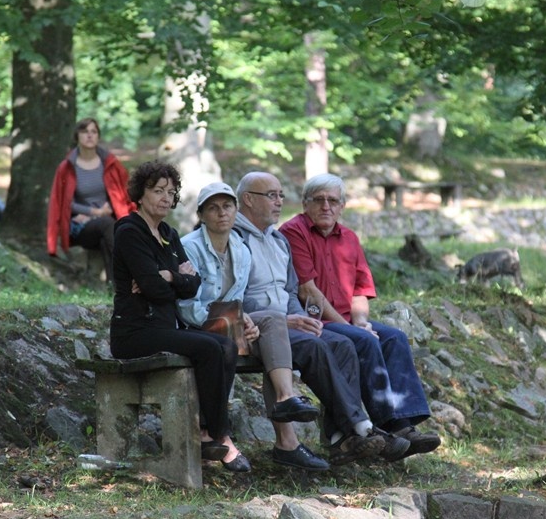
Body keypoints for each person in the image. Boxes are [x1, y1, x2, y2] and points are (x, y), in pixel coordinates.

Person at [234, 171, 411, 466]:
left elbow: (290, 290)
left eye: (281, 195)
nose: (279, 202)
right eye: (272, 196)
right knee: (320, 346)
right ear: (248, 200)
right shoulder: (236, 240)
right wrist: (285, 319)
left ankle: (342, 439)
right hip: (256, 328)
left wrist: (300, 316)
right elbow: (235, 296)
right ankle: (362, 427)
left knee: (343, 344)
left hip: (289, 322)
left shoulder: (277, 240)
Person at [279, 173, 441, 460]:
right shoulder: (294, 232)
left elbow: (359, 290)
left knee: (394, 337)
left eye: (333, 201)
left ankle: (404, 421)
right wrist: (353, 329)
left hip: (345, 318)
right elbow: (308, 291)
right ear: (305, 204)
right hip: (314, 320)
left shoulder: (350, 238)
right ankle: (388, 425)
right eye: (318, 200)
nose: (326, 206)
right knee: (363, 341)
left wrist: (362, 321)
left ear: (343, 206)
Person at [178, 182, 329, 471]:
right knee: (229, 341)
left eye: (227, 206)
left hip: (226, 321)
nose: (221, 213)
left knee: (271, 318)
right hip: (195, 325)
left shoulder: (240, 249)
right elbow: (187, 307)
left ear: (236, 210)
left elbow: (236, 298)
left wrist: (242, 318)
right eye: (213, 208)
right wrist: (231, 320)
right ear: (202, 214)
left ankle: (286, 398)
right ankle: (218, 433)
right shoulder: (189, 247)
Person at [110, 162, 249, 473]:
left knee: (225, 345)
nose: (165, 197)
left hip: (162, 327)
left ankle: (207, 431)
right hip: (134, 332)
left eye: (171, 192)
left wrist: (168, 279)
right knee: (209, 348)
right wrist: (172, 280)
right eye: (158, 191)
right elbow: (153, 288)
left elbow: (191, 285)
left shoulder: (169, 234)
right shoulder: (129, 231)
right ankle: (220, 435)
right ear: (140, 194)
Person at [46, 118, 136, 282]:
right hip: (80, 226)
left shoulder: (110, 163)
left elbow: (123, 192)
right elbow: (64, 202)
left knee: (107, 236)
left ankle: (116, 287)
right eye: (85, 131)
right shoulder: (67, 167)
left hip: (107, 222)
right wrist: (93, 212)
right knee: (108, 225)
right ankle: (130, 275)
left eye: (93, 132)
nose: (89, 135)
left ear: (98, 136)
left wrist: (110, 206)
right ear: (77, 136)